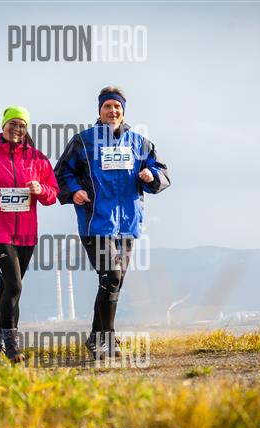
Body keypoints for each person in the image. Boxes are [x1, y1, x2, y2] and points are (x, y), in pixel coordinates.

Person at [54, 86, 170, 360]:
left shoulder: (140, 143)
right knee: (112, 276)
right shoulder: (83, 141)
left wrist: (151, 175)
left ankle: (97, 337)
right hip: (96, 223)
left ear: (123, 111)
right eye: (107, 106)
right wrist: (74, 191)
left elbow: (162, 173)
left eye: (117, 107)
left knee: (112, 282)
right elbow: (61, 174)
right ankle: (106, 338)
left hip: (128, 225)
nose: (112, 111)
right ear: (99, 110)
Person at [0, 106, 58, 362]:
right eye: (12, 123)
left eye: (22, 125)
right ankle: (12, 346)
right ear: (3, 126)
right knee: (14, 285)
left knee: (7, 287)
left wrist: (41, 189)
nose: (16, 129)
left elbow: (53, 194)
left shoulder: (37, 159)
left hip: (26, 236)